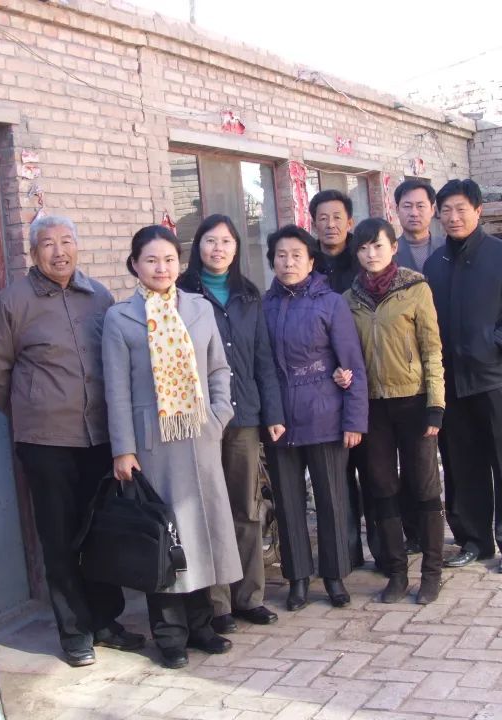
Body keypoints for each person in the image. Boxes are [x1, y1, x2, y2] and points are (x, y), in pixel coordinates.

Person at [0, 215, 144, 667]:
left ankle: (106, 621)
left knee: (101, 532)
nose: (59, 251)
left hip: (99, 436)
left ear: (77, 246)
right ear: (34, 253)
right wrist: (33, 410)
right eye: (48, 244)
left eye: (66, 241)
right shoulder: (11, 303)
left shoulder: (99, 297)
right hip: (46, 441)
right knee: (59, 535)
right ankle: (74, 632)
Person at [102, 225, 242, 670]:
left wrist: (219, 415)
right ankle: (169, 636)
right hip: (152, 443)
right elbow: (116, 391)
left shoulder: (199, 308)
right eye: (151, 260)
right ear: (134, 265)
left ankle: (201, 625)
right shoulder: (120, 318)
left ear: (179, 264)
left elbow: (218, 369)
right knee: (165, 537)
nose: (161, 268)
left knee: (200, 529)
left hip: (200, 436)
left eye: (168, 259)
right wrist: (123, 449)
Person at [423, 179, 502, 574]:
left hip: (495, 377)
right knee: (461, 463)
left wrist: (498, 343)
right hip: (452, 381)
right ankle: (474, 540)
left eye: (461, 209)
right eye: (446, 210)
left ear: (478, 211)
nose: (453, 217)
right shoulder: (434, 264)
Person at [177, 214, 286, 634]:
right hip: (200, 419)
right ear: (198, 246)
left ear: (237, 248)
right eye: (210, 240)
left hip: (243, 417)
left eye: (226, 241)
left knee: (246, 507)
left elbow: (263, 358)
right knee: (209, 508)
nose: (218, 248)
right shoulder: (182, 293)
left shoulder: (248, 295)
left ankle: (249, 596)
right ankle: (217, 603)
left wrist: (272, 413)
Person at [262, 224, 368, 611]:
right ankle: (298, 579)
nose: (288, 262)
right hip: (280, 419)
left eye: (296, 255)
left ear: (311, 261)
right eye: (281, 255)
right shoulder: (264, 306)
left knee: (331, 498)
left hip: (325, 414)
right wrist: (269, 414)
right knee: (288, 503)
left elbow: (351, 363)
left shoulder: (331, 303)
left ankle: (335, 576)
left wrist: (354, 420)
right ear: (272, 261)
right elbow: (261, 367)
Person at [345, 218, 446, 604]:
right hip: (373, 407)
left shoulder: (415, 288)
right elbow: (345, 353)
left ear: (393, 248)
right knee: (383, 488)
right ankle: (398, 572)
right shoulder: (349, 299)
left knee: (424, 486)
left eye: (378, 246)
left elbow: (432, 350)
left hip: (414, 401)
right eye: (363, 248)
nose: (371, 254)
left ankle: (432, 572)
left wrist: (436, 404)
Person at [310, 188, 375, 570]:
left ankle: (385, 549)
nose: (330, 224)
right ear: (313, 224)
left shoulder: (363, 261)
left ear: (349, 222)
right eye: (323, 218)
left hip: (365, 380)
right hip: (322, 386)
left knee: (374, 470)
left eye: (337, 217)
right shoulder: (307, 264)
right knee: (338, 477)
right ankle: (346, 554)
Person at [393, 179, 449, 554]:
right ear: (396, 209)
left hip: (445, 362)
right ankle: (413, 531)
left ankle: (456, 526)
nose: (414, 213)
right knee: (410, 457)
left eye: (420, 205)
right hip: (405, 372)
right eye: (407, 206)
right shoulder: (388, 252)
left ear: (432, 209)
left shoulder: (448, 249)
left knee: (452, 453)